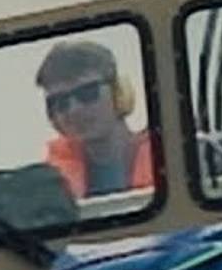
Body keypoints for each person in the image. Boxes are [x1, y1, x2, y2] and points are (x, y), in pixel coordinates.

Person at [35, 40, 157, 198]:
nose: (74, 109)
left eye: (87, 93)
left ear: (119, 93)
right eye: (60, 102)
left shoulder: (169, 157)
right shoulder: (49, 186)